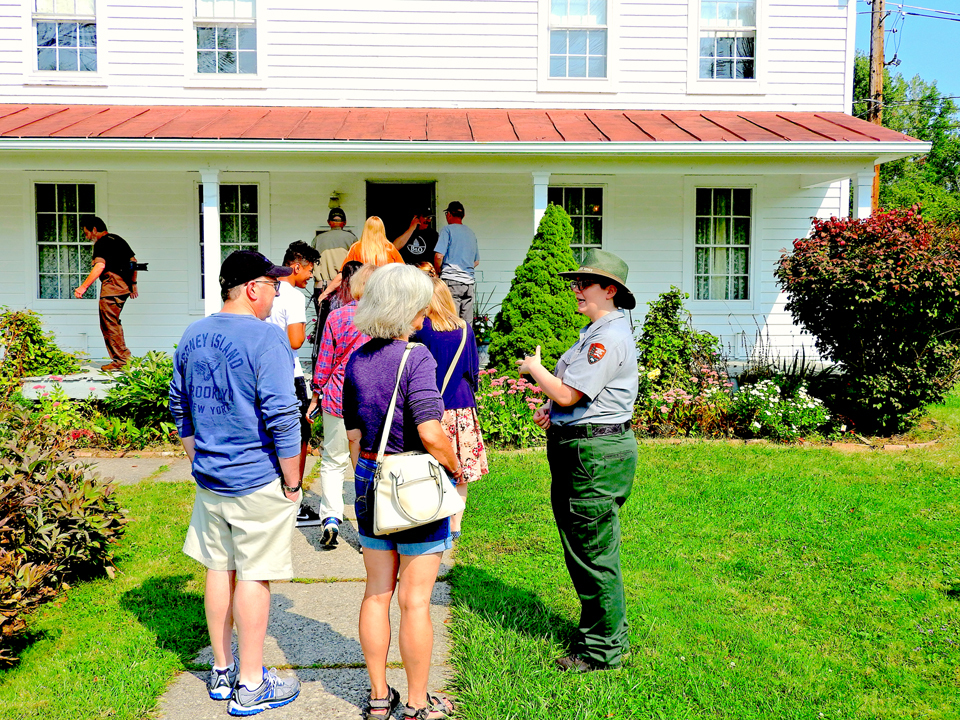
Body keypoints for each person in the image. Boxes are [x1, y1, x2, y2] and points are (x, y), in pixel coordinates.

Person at [168, 250, 302, 714]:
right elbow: (283, 415)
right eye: (273, 284)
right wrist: (293, 481)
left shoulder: (193, 333)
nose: (277, 292)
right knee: (253, 574)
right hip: (257, 476)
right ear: (251, 288)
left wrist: (198, 459)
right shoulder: (267, 339)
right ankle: (251, 684)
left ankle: (222, 673)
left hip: (211, 479)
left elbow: (179, 406)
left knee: (217, 568)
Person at [343, 264, 459, 720]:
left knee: (376, 592)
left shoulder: (358, 358)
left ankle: (377, 697)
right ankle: (416, 703)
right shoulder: (418, 358)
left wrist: (368, 474)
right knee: (415, 601)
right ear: (409, 306)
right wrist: (454, 467)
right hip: (413, 487)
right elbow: (430, 431)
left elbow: (352, 436)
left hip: (371, 479)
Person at [517, 249, 639, 673]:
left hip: (594, 458)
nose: (576, 289)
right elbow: (576, 399)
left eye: (585, 283)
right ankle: (602, 632)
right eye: (577, 282)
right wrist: (556, 413)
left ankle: (603, 650)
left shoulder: (606, 338)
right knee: (586, 548)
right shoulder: (596, 331)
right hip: (586, 449)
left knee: (593, 551)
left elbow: (569, 393)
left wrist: (535, 370)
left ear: (610, 290)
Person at [306, 262, 375, 547]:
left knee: (333, 462)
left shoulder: (337, 317)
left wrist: (316, 395)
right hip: (371, 399)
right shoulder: (383, 318)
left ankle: (331, 518)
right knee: (368, 465)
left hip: (336, 395)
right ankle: (367, 531)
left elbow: (324, 362)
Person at [413, 277, 487, 540]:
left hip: (429, 406)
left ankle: (433, 520)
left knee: (429, 468)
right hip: (462, 405)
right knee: (461, 470)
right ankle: (456, 525)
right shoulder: (465, 328)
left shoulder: (421, 331)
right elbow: (473, 370)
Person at [266, 240, 322, 528]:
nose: (311, 276)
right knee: (299, 436)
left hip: (263, 374)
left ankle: (273, 496)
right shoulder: (293, 297)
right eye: (309, 270)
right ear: (296, 266)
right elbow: (297, 340)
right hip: (290, 373)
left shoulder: (266, 290)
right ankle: (295, 500)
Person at [73, 215, 139, 372]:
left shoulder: (101, 243)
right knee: (113, 322)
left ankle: (122, 361)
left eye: (87, 233)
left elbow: (100, 266)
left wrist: (83, 287)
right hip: (123, 286)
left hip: (112, 287)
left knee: (109, 324)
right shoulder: (117, 239)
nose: (87, 237)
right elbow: (133, 262)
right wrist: (133, 284)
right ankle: (122, 359)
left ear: (94, 230)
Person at [317, 216, 404, 306]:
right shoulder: (390, 249)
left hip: (363, 297)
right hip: (385, 296)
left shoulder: (357, 248)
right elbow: (404, 272)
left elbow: (342, 274)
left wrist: (325, 293)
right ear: (382, 229)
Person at [433, 201, 480, 324]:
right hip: (469, 283)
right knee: (466, 324)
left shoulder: (447, 230)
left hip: (451, 281)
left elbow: (439, 255)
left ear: (448, 214)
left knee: (451, 321)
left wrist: (438, 271)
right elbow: (476, 261)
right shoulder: (471, 233)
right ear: (463, 216)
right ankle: (466, 343)